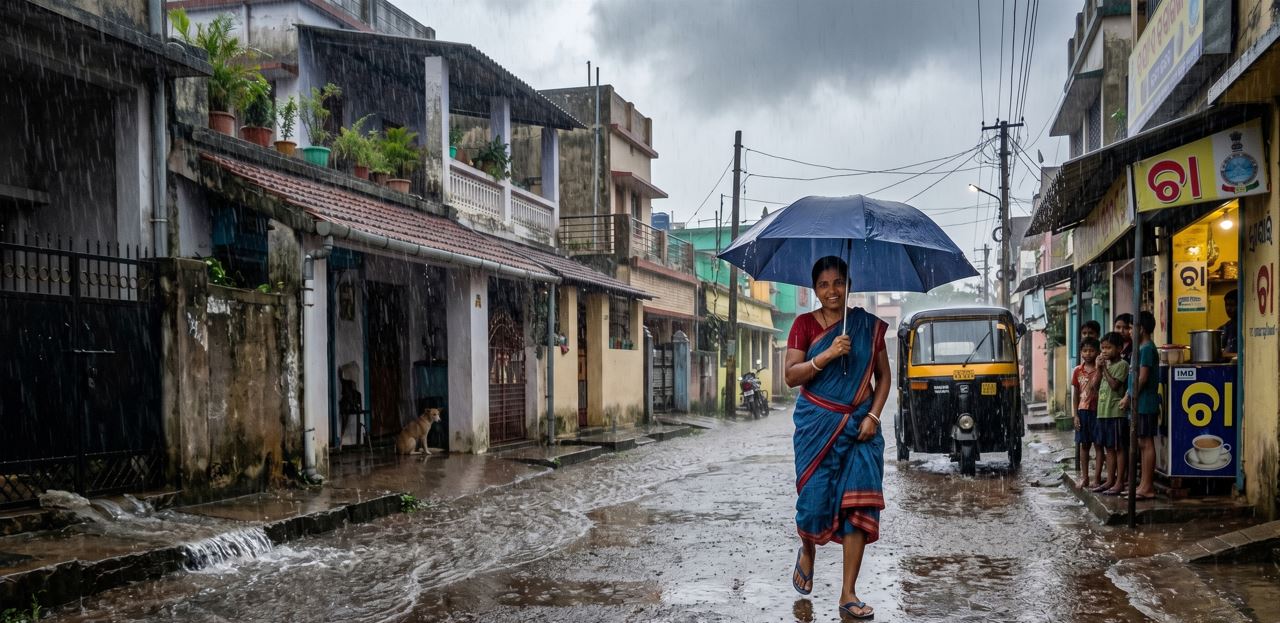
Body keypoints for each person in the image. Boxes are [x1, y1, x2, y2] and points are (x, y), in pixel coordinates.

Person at [785, 256, 890, 620]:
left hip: (861, 429)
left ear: (849, 285)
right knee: (812, 503)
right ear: (815, 290)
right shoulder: (803, 325)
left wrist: (874, 416)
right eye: (824, 285)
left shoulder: (866, 326)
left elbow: (884, 378)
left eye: (839, 282)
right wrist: (829, 354)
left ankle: (848, 593)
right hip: (817, 425)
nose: (832, 291)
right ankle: (808, 549)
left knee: (857, 509)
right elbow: (791, 376)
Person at [1127, 311, 1160, 500]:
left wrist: (1131, 396)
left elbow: (1143, 377)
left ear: (1142, 328)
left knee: (1146, 443)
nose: (1130, 331)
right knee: (1141, 443)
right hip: (1139, 404)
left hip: (1145, 403)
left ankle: (1148, 486)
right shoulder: (1140, 348)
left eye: (1132, 327)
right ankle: (1143, 484)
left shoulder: (1147, 349)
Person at [1093, 332, 1130, 495]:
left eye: (1108, 348)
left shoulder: (1122, 365)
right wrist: (1098, 369)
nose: (1105, 351)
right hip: (1103, 413)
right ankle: (1109, 480)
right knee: (1109, 448)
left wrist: (1105, 370)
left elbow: (1115, 385)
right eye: (1102, 348)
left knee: (1119, 448)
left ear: (1119, 348)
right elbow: (1094, 386)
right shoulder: (1104, 366)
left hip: (1116, 413)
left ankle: (1119, 481)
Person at [1071, 338, 1102, 488]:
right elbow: (1075, 394)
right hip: (1082, 411)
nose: (1088, 353)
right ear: (1081, 352)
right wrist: (1075, 415)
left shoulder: (1101, 369)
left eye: (1091, 350)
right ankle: (1084, 477)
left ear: (1097, 352)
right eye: (1085, 350)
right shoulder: (1077, 370)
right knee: (1084, 445)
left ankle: (1096, 478)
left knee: (1098, 445)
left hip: (1098, 411)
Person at [1220, 289, 1239, 357]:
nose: (1228, 308)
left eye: (1232, 305)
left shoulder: (1247, 328)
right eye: (1226, 305)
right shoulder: (1224, 328)